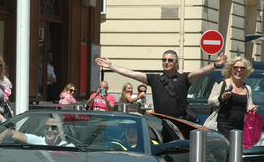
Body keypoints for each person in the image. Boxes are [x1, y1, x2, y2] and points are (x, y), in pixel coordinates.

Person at [96, 51, 228, 118]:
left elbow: (200, 72)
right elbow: (131, 73)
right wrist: (111, 66)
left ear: (176, 63)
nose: (166, 62)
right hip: (160, 122)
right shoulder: (155, 79)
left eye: (170, 60)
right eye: (164, 60)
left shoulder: (183, 78)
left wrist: (216, 65)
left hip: (179, 122)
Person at [208, 56, 256, 162]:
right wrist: (222, 97)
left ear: (246, 71)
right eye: (236, 68)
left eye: (242, 68)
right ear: (230, 69)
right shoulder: (222, 84)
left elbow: (249, 105)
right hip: (223, 126)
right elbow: (210, 101)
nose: (239, 71)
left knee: (237, 161)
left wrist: (252, 108)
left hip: (239, 128)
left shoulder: (246, 88)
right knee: (229, 161)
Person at [0, 115, 74, 147]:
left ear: (62, 131)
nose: (49, 130)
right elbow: (11, 133)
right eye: (47, 127)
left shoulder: (69, 147)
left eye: (53, 127)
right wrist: (0, 137)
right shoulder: (39, 141)